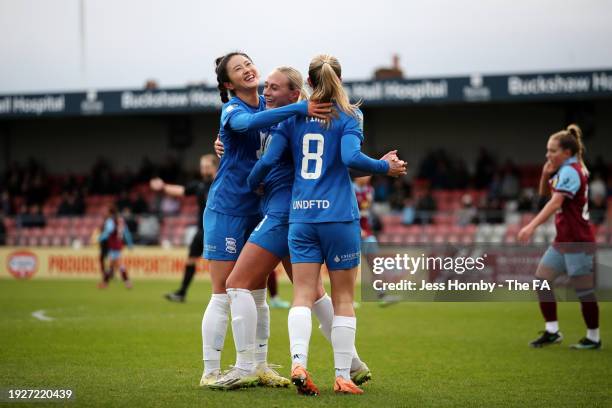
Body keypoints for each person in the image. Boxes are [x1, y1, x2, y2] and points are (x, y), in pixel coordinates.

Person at [212, 66, 385, 390]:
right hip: (317, 213)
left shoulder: (290, 119)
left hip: (287, 212)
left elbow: (263, 154)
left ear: (296, 93)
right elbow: (249, 130)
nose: (266, 92)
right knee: (316, 294)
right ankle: (352, 363)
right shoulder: (285, 115)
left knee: (236, 284)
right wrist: (222, 142)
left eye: (273, 88)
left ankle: (246, 365)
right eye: (266, 87)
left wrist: (254, 181)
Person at [247, 54, 406, 395]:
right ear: (340, 78)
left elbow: (269, 160)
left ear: (308, 80)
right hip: (339, 218)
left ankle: (298, 362)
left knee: (302, 294)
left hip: (302, 216)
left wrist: (253, 181)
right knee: (344, 298)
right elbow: (350, 159)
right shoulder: (350, 114)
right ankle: (342, 376)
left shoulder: (294, 117)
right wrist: (383, 167)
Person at [199, 51, 332, 388]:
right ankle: (210, 371)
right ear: (228, 83)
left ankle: (258, 366)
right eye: (238, 68)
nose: (247, 69)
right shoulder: (234, 110)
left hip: (260, 209)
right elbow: (247, 127)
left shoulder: (268, 104)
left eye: (248, 63)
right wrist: (300, 107)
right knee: (221, 292)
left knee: (256, 294)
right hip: (228, 208)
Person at [518, 124, 601, 350]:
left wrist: (531, 226)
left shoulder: (571, 171)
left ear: (567, 152)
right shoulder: (563, 170)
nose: (548, 155)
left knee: (584, 292)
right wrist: (545, 174)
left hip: (578, 241)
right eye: (547, 150)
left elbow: (555, 203)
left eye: (552, 151)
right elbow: (546, 194)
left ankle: (593, 337)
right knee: (541, 281)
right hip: (563, 242)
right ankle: (552, 331)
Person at [150, 154, 219, 302]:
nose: (204, 170)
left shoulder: (222, 183)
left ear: (215, 167)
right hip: (201, 231)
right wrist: (163, 187)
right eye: (202, 167)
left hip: (217, 232)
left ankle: (223, 295)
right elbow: (182, 191)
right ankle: (182, 293)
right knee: (190, 261)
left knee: (218, 265)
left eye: (207, 167)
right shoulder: (200, 186)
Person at [98, 206, 134, 289]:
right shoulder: (121, 220)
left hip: (113, 245)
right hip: (118, 244)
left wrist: (99, 238)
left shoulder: (111, 221)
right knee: (113, 265)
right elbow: (126, 233)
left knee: (117, 264)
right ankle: (106, 283)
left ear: (110, 212)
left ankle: (127, 283)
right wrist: (129, 244)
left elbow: (109, 231)